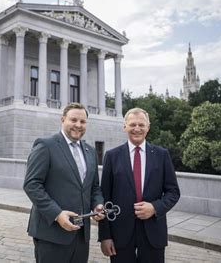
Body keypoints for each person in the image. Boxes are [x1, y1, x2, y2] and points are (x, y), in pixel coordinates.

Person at [23, 102, 105, 263]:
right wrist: (57, 214)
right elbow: (32, 184)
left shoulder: (90, 151)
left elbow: (94, 187)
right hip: (51, 233)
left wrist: (97, 205)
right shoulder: (46, 145)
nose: (78, 125)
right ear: (62, 120)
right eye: (73, 120)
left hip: (81, 235)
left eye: (82, 122)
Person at [98, 107, 180, 263]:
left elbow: (173, 192)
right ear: (125, 127)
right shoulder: (111, 156)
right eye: (132, 124)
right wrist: (105, 236)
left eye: (141, 125)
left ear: (148, 128)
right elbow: (105, 199)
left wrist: (155, 207)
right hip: (120, 235)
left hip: (153, 233)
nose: (137, 129)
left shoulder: (162, 155)